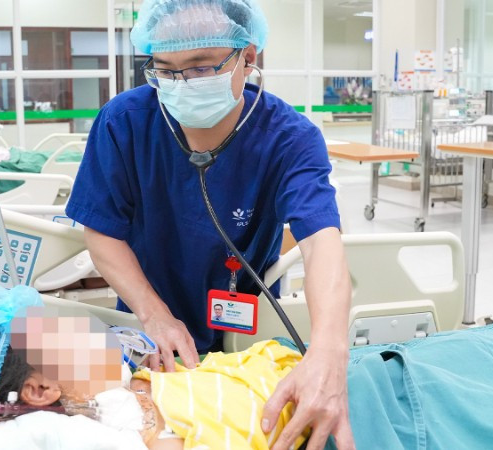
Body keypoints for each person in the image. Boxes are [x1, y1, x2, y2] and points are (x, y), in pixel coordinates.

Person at [64, 1, 353, 448]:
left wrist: (329, 355)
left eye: (201, 67)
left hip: (247, 332)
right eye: (166, 70)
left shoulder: (289, 138)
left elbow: (320, 241)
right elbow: (102, 231)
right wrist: (154, 315)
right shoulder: (124, 122)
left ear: (247, 58)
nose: (181, 84)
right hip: (152, 331)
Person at [0, 286, 314, 449]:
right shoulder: (130, 430)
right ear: (40, 390)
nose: (82, 329)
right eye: (57, 335)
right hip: (326, 405)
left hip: (298, 363)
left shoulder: (134, 383)